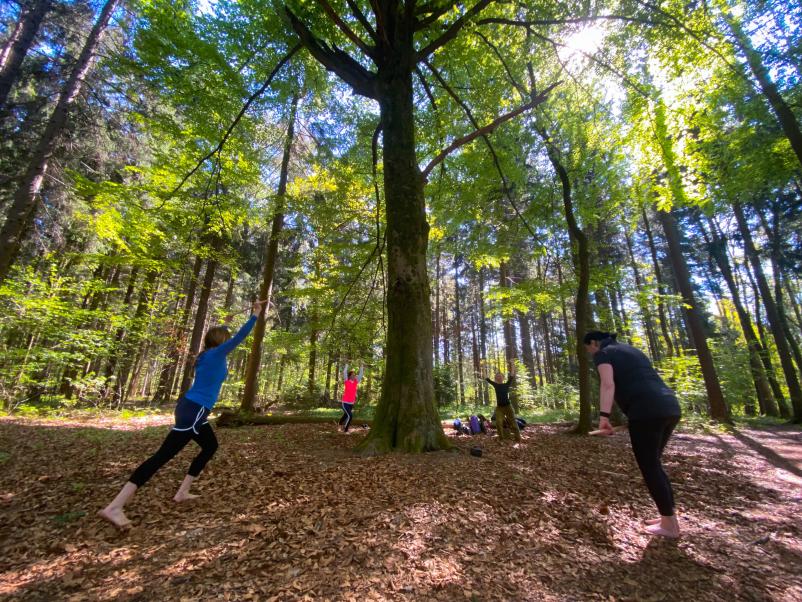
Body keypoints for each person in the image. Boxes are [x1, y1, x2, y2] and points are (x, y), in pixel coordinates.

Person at [98, 299, 266, 530]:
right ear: (220, 342)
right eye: (224, 338)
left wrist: (224, 324)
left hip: (191, 409)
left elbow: (222, 337)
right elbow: (239, 338)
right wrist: (255, 316)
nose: (227, 342)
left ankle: (182, 492)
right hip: (194, 412)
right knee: (161, 457)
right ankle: (115, 507)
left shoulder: (206, 355)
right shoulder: (216, 355)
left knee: (210, 446)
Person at [584, 330, 682, 538]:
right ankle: (668, 516)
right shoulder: (631, 350)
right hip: (670, 406)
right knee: (654, 464)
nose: (590, 353)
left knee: (650, 467)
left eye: (589, 348)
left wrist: (604, 417)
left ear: (594, 343)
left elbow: (608, 383)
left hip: (646, 411)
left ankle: (669, 526)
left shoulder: (603, 353)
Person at [485, 367, 520, 442]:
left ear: (503, 378)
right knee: (498, 423)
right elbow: (487, 378)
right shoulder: (495, 385)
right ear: (495, 378)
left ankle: (518, 438)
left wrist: (513, 364)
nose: (499, 377)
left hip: (508, 407)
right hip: (499, 408)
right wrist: (484, 367)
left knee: (513, 423)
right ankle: (501, 439)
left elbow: (512, 376)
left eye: (500, 376)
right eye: (497, 377)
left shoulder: (506, 384)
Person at [338, 362, 363, 432]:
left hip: (351, 403)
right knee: (350, 416)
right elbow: (344, 373)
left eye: (354, 375)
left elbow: (360, 375)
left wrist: (361, 367)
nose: (354, 376)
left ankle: (339, 424)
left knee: (346, 415)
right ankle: (345, 430)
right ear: (349, 376)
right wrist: (346, 364)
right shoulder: (346, 381)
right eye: (352, 375)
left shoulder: (356, 382)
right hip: (345, 402)